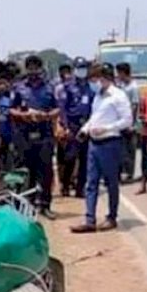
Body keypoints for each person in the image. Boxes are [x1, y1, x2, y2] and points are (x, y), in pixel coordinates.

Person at [69, 63, 132, 234]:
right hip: (94, 143)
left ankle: (111, 216)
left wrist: (107, 128)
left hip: (110, 143)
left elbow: (127, 120)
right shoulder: (98, 96)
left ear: (104, 77)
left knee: (111, 182)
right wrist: (84, 130)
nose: (93, 82)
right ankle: (90, 219)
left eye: (95, 78)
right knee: (91, 182)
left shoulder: (118, 96)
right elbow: (94, 117)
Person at [10, 55, 60, 220]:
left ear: (40, 69)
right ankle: (26, 205)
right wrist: (24, 115)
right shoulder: (19, 88)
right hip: (24, 135)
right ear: (26, 69)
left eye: (36, 68)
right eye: (30, 68)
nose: (33, 71)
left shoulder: (49, 88)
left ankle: (45, 205)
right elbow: (11, 110)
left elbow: (57, 109)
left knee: (46, 171)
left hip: (44, 134)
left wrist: (45, 115)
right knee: (25, 172)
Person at [57, 57, 94, 198]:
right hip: (72, 126)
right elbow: (63, 108)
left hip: (85, 126)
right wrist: (65, 126)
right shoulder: (68, 87)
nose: (82, 70)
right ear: (74, 70)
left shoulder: (90, 88)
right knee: (70, 158)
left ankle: (80, 188)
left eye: (84, 67)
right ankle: (65, 185)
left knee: (85, 159)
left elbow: (93, 107)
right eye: (79, 68)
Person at [115, 62, 140, 184]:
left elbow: (134, 106)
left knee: (130, 150)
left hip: (129, 123)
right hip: (120, 121)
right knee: (121, 149)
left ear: (124, 73)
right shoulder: (121, 86)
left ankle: (129, 174)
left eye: (119, 73)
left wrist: (131, 123)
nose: (118, 75)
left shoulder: (133, 87)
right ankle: (121, 172)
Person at [0, 73, 15, 172]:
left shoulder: (9, 101)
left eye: (4, 84)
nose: (2, 86)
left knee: (6, 158)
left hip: (7, 134)